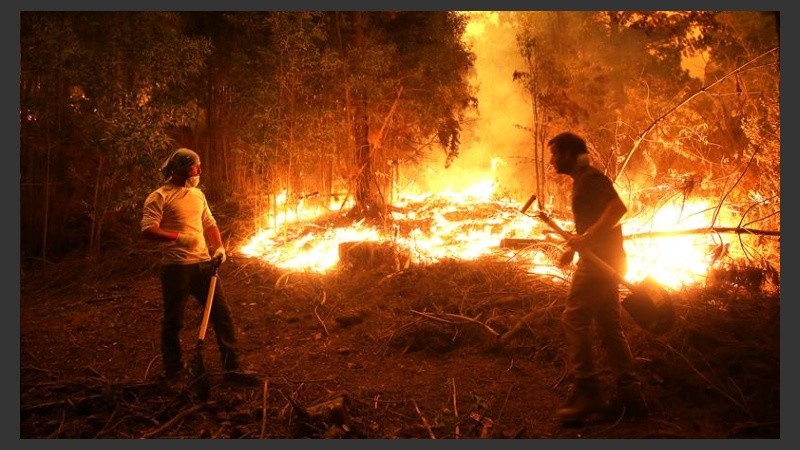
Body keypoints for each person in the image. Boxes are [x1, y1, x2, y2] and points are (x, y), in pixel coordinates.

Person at [547, 132, 647, 425]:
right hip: (605, 259)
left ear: (568, 154)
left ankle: (588, 390)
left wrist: (588, 238)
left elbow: (618, 209)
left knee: (573, 319)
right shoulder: (583, 181)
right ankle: (630, 394)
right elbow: (594, 225)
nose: (552, 161)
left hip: (601, 265)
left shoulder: (591, 178)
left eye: (555, 155)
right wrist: (575, 249)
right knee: (608, 325)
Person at [141, 148, 259, 387]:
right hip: (176, 269)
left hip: (204, 266)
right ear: (183, 169)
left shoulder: (197, 195)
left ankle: (232, 368)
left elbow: (209, 223)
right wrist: (178, 237)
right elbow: (148, 229)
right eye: (196, 166)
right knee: (174, 321)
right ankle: (174, 371)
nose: (200, 171)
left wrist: (219, 248)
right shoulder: (160, 196)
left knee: (222, 315)